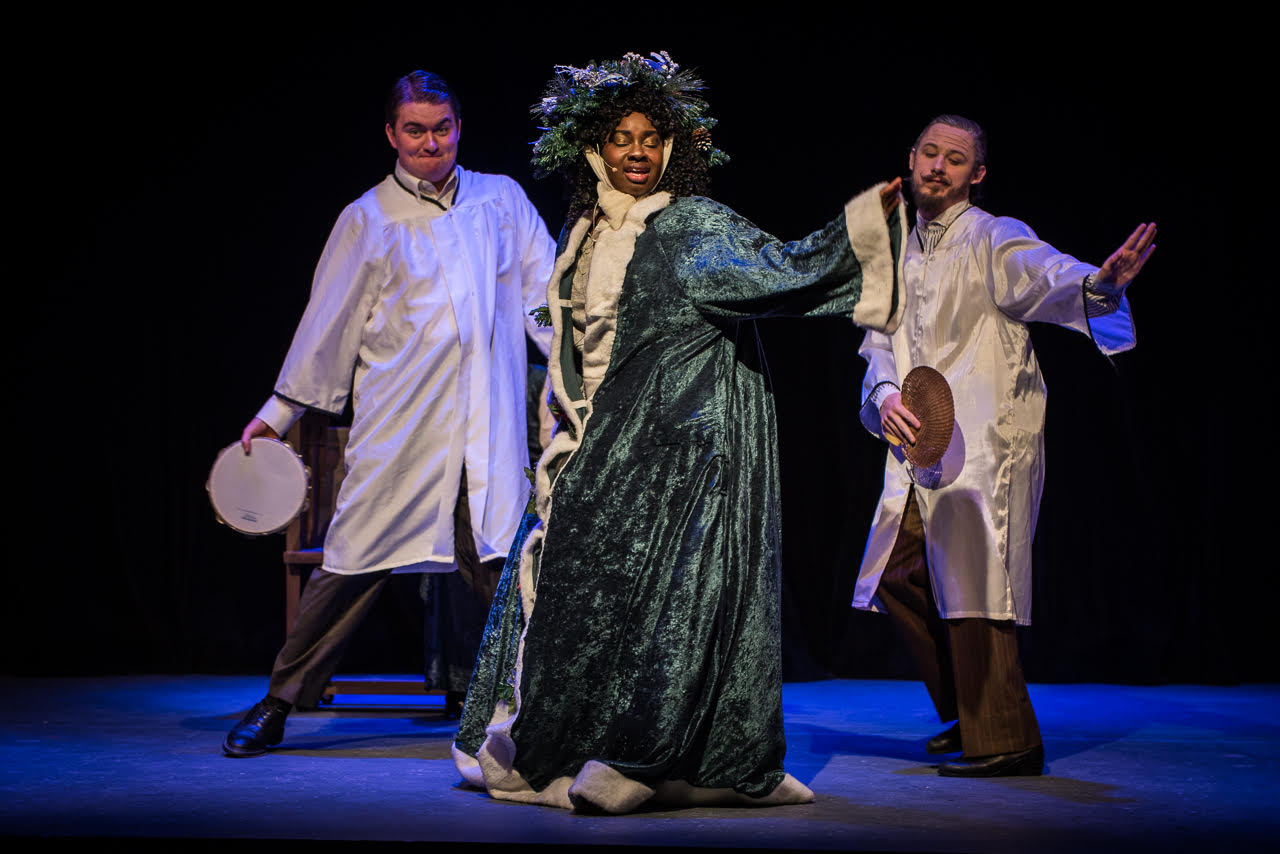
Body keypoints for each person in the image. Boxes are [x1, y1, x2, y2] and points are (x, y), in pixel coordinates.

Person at [452, 52, 906, 813]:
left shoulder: (690, 224)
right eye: (622, 137)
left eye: (651, 137)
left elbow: (783, 270)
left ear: (674, 148)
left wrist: (862, 227)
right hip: (593, 444)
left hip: (683, 450)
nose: (637, 152)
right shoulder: (586, 228)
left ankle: (664, 754)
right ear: (595, 146)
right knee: (581, 597)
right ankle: (579, 740)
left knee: (676, 607)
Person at [222, 71, 555, 757]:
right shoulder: (367, 217)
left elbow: (544, 299)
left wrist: (583, 374)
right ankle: (281, 700)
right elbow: (328, 326)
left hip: (485, 430)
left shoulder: (502, 200)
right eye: (415, 129)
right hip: (402, 428)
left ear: (459, 126)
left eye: (441, 127)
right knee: (349, 564)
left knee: (504, 568)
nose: (430, 142)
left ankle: (543, 709)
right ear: (391, 135)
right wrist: (277, 414)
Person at [852, 114, 1156, 777]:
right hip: (918, 445)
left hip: (984, 443)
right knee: (897, 578)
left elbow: (1043, 274)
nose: (938, 166)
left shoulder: (994, 238)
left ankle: (1007, 738)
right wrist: (884, 398)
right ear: (910, 158)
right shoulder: (899, 252)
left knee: (976, 585)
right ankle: (970, 709)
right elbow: (877, 341)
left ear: (976, 175)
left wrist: (1098, 285)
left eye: (954, 159)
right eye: (929, 152)